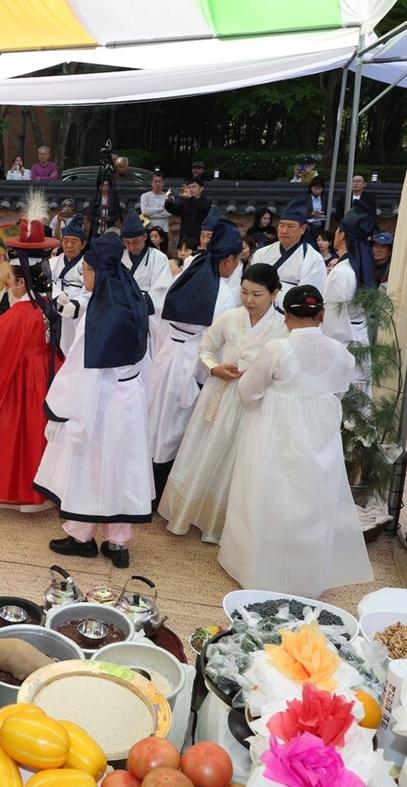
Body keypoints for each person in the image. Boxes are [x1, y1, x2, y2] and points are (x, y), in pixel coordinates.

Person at [218, 285, 373, 597]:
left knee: (267, 493)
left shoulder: (277, 350)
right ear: (322, 315)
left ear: (286, 316)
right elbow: (339, 391)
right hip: (320, 432)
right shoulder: (341, 353)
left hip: (275, 427)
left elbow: (248, 392)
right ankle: (307, 574)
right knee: (314, 497)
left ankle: (259, 569)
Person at [34, 234, 153, 566]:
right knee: (123, 470)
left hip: (100, 401)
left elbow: (81, 367)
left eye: (86, 271)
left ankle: (81, 536)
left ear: (97, 271)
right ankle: (118, 544)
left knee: (89, 467)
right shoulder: (133, 297)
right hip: (130, 399)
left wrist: (64, 412)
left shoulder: (100, 313)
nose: (84, 278)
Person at [157, 264, 286, 543]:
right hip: (219, 395)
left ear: (275, 294)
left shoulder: (282, 328)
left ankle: (220, 524)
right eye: (245, 292)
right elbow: (205, 347)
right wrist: (214, 368)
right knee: (204, 451)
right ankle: (187, 512)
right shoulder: (229, 317)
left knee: (235, 460)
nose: (249, 300)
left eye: (257, 294)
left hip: (252, 403)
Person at [0, 198, 63, 512]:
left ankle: (15, 492)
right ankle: (43, 491)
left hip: (19, 381)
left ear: (20, 282)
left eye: (12, 279)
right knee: (37, 435)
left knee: (14, 436)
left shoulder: (17, 317)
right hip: (47, 377)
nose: (8, 284)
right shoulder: (51, 305)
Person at [147, 216, 243, 498]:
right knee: (177, 427)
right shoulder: (223, 294)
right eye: (237, 260)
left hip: (168, 356)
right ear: (227, 260)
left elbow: (163, 320)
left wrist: (162, 352)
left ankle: (147, 488)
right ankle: (164, 493)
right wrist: (208, 370)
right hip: (193, 362)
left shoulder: (185, 275)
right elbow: (215, 340)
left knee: (156, 421)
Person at [325, 208, 374, 392]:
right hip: (359, 336)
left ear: (342, 234)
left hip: (343, 341)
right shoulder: (358, 266)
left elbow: (333, 318)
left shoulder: (342, 272)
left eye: (337, 230)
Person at [251, 197, 327, 305]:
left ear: (303, 229)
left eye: (290, 226)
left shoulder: (313, 259)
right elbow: (252, 286)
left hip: (293, 314)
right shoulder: (261, 253)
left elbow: (309, 295)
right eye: (281, 225)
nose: (284, 231)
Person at [49, 216, 89, 354]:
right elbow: (44, 282)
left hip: (76, 313)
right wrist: (57, 294)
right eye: (65, 241)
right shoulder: (53, 262)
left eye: (74, 241)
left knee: (73, 348)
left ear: (83, 244)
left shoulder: (89, 265)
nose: (69, 245)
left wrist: (77, 304)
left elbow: (90, 291)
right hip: (55, 309)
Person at [121, 215, 172, 323]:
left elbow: (161, 289)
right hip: (122, 308)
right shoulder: (120, 257)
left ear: (145, 237)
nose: (131, 247)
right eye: (127, 242)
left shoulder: (159, 257)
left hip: (147, 311)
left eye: (135, 242)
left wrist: (136, 304)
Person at [164, 177, 212, 243]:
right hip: (185, 236)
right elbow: (173, 210)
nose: (191, 189)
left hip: (199, 237)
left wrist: (190, 197)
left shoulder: (206, 201)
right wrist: (169, 200)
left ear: (201, 189)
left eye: (194, 186)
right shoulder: (184, 201)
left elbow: (201, 206)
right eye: (189, 187)